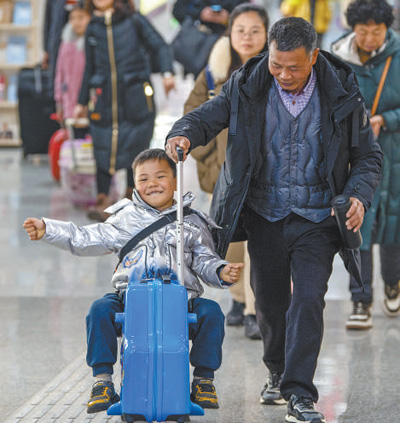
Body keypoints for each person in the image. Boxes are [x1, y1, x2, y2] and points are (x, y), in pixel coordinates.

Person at [165, 17, 382, 423]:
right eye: (276, 65)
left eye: (294, 68)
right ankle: (277, 370)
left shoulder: (343, 91)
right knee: (268, 301)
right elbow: (206, 116)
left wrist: (357, 195)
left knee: (308, 298)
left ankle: (300, 393)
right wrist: (184, 133)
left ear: (314, 57)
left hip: (317, 216)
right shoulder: (247, 83)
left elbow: (369, 157)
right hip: (263, 212)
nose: (283, 75)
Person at [23, 148, 244, 414]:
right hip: (129, 298)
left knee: (212, 313)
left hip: (181, 299)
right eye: (143, 179)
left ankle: (203, 379)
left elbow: (204, 259)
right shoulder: (123, 218)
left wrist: (221, 271)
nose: (152, 184)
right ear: (134, 186)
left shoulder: (192, 221)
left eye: (160, 176)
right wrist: (49, 229)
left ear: (175, 181)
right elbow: (84, 238)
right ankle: (102, 380)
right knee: (99, 311)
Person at [185, 2, 269, 339]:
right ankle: (238, 300)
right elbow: (192, 112)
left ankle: (255, 309)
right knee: (231, 242)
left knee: (260, 246)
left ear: (267, 33)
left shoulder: (277, 69)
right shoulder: (214, 72)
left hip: (264, 177)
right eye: (240, 30)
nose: (247, 37)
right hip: (224, 175)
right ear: (229, 33)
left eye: (255, 31)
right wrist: (208, 157)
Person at [331, 0, 400, 330]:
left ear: (388, 28)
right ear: (351, 30)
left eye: (377, 31)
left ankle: (393, 280)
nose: (370, 38)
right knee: (357, 221)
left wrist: (385, 119)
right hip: (355, 153)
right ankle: (361, 299)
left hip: (395, 151)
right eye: (363, 31)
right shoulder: (336, 57)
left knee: (393, 222)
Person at [74, 0, 175, 222]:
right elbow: (89, 68)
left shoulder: (135, 21)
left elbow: (160, 46)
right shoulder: (93, 27)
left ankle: (131, 198)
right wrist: (81, 101)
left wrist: (168, 72)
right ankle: (102, 200)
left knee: (134, 147)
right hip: (102, 100)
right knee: (101, 146)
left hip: (135, 98)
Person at [54, 2, 90, 119]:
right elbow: (60, 73)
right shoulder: (66, 44)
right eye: (72, 18)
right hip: (68, 103)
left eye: (81, 17)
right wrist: (59, 100)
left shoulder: (92, 43)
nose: (76, 22)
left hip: (89, 104)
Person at [173, 0, 247, 35]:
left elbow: (248, 15)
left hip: (230, 36)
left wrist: (228, 19)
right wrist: (201, 14)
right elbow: (177, 11)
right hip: (202, 45)